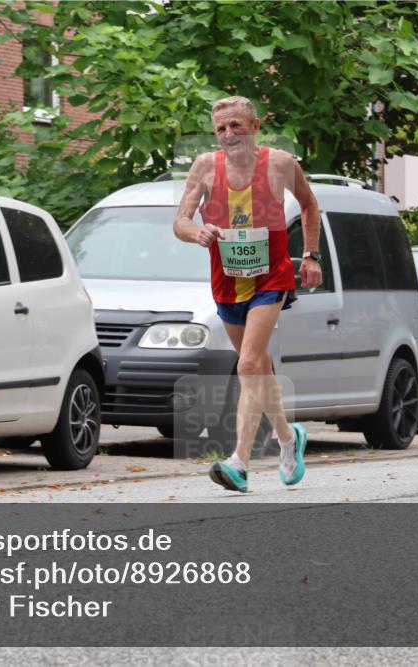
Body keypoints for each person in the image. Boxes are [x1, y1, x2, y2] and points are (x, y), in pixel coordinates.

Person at [173, 95, 323, 493]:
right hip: (226, 280)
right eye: (221, 128)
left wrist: (310, 256)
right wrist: (196, 232)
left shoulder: (280, 164)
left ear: (255, 127)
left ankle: (239, 461)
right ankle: (289, 439)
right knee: (259, 368)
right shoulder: (205, 167)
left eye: (237, 125)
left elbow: (309, 205)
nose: (228, 134)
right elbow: (180, 221)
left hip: (271, 277)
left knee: (250, 362)